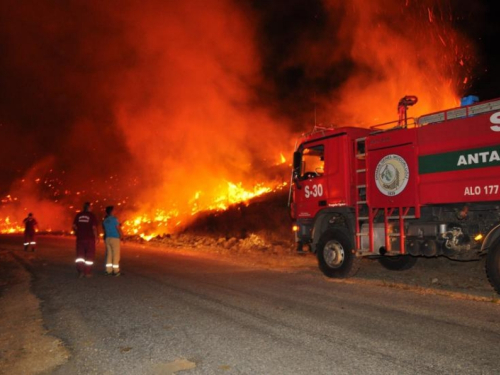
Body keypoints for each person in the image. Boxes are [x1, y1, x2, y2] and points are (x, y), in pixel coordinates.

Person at [73, 202, 98, 278]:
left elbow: (74, 226)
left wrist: (78, 231)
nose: (92, 208)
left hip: (80, 238)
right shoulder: (91, 215)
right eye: (91, 207)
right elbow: (94, 227)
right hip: (89, 238)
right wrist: (96, 237)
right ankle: (87, 272)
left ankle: (80, 271)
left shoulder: (78, 215)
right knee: (90, 255)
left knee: (80, 255)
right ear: (89, 207)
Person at [102, 205, 123, 276]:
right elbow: (118, 228)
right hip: (114, 238)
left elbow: (105, 229)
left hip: (108, 238)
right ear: (111, 211)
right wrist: (122, 236)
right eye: (114, 210)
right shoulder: (114, 219)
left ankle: (108, 270)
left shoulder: (105, 220)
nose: (115, 211)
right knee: (116, 255)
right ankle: (116, 271)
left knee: (109, 255)